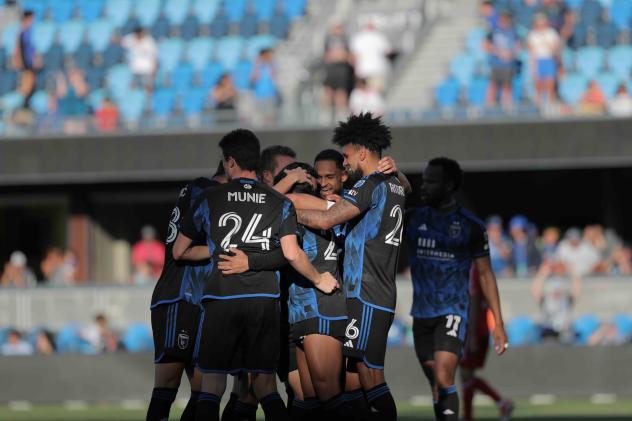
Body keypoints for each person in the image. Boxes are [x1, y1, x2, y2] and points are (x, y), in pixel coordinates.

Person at [172, 129, 338, 421]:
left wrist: (220, 251)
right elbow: (290, 253)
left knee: (212, 385)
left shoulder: (210, 198)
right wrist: (318, 279)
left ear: (230, 162)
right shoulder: (279, 201)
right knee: (264, 385)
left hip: (221, 297)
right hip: (264, 300)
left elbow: (179, 252)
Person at [295, 113, 405, 421]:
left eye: (346, 156)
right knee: (355, 377)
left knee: (370, 377)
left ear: (362, 152)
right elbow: (406, 188)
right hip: (376, 289)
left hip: (367, 291)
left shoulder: (370, 184)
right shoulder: (394, 182)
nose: (344, 163)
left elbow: (327, 219)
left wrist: (288, 212)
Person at [404, 157, 508, 421]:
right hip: (422, 315)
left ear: (449, 186)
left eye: (431, 181)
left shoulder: (470, 226)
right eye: (423, 180)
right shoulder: (412, 219)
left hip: (452, 311)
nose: (423, 187)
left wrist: (498, 322)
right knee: (437, 385)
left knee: (444, 375)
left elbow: (485, 274)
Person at [146, 163, 226, 421]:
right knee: (168, 382)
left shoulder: (206, 191)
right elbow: (181, 249)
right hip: (178, 296)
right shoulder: (202, 189)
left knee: (204, 386)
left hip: (200, 298)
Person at [274, 162, 352, 418]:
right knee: (311, 400)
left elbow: (280, 199)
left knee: (329, 394)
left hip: (321, 305)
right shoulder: (296, 212)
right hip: (301, 310)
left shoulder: (296, 204)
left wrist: (290, 179)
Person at [460, 267, 514, 421]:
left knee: (466, 374)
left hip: (475, 329)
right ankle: (498, 404)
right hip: (478, 328)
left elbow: (475, 299)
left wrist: (471, 335)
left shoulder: (474, 269)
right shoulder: (481, 269)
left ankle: (499, 404)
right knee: (466, 375)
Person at [485, 12, 519, 108]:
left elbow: (517, 46)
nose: (503, 23)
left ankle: (507, 104)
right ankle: (489, 104)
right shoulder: (494, 32)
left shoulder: (513, 32)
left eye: (505, 20)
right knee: (493, 84)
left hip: (508, 63)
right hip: (496, 63)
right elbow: (486, 45)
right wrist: (497, 52)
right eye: (502, 20)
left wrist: (511, 54)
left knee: (507, 84)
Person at [527, 14, 560, 105]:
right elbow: (531, 51)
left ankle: (551, 106)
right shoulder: (532, 34)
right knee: (538, 87)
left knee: (550, 86)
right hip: (538, 61)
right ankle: (538, 108)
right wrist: (533, 67)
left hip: (549, 60)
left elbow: (556, 47)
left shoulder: (551, 33)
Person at [350, 21, 392, 93]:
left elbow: (354, 56)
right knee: (375, 94)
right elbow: (388, 51)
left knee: (364, 94)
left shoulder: (358, 38)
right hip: (377, 69)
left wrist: (355, 71)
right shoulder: (379, 37)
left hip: (362, 70)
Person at [323, 22, 353, 119]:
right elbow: (327, 56)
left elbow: (346, 55)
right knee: (328, 90)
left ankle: (341, 112)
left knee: (341, 91)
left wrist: (339, 55)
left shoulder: (345, 40)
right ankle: (327, 112)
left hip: (342, 68)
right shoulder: (328, 39)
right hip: (331, 68)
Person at [14, 10, 37, 107]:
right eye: (32, 19)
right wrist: (19, 62)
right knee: (26, 86)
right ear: (27, 19)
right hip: (25, 64)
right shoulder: (22, 32)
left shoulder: (29, 32)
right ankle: (23, 106)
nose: (33, 21)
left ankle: (27, 105)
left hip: (30, 63)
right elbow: (19, 48)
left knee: (30, 85)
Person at [56, 67, 89, 134]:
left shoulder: (83, 85)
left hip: (80, 117)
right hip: (68, 118)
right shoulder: (66, 87)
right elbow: (61, 94)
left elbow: (80, 93)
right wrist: (61, 80)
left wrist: (78, 80)